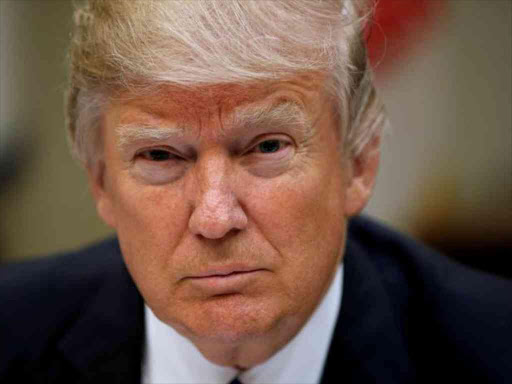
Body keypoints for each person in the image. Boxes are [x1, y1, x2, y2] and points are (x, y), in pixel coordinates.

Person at [1, 0, 511, 383]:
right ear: (101, 181)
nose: (216, 217)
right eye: (160, 156)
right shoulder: (11, 332)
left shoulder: (494, 349)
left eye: (267, 146)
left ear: (358, 162)